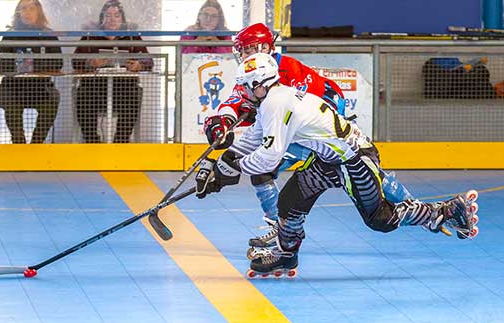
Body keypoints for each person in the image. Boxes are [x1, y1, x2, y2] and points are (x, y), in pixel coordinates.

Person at [197, 53, 480, 278]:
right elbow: (251, 141)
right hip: (329, 160)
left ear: (259, 84)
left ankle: (443, 212)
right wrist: (217, 167)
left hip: (353, 159)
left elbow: (269, 157)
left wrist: (229, 171)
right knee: (290, 200)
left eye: (246, 86)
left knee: (379, 219)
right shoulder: (274, 98)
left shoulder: (276, 103)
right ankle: (286, 254)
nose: (244, 93)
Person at [201, 23, 414, 248]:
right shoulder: (253, 71)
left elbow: (315, 106)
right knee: (264, 171)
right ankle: (278, 227)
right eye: (241, 51)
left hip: (322, 130)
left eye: (248, 49)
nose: (243, 55)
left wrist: (234, 166)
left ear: (264, 47)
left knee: (364, 174)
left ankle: (414, 206)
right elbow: (236, 101)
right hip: (298, 132)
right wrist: (222, 121)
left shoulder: (287, 68)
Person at [72, 0, 153, 143]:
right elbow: (75, 60)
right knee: (82, 94)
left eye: (116, 15)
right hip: (94, 89)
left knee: (134, 95)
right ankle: (92, 141)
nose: (112, 19)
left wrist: (138, 65)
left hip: (123, 90)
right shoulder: (90, 36)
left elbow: (149, 61)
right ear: (101, 18)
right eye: (108, 15)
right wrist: (90, 62)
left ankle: (121, 141)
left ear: (122, 18)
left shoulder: (132, 37)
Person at [0, 0, 62, 144]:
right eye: (24, 8)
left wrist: (32, 64)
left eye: (32, 8)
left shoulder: (48, 34)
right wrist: (19, 65)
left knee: (53, 99)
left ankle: (36, 144)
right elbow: (2, 63)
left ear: (39, 11)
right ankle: (19, 143)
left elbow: (58, 62)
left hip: (40, 89)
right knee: (9, 103)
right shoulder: (10, 34)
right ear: (18, 13)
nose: (28, 11)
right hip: (11, 88)